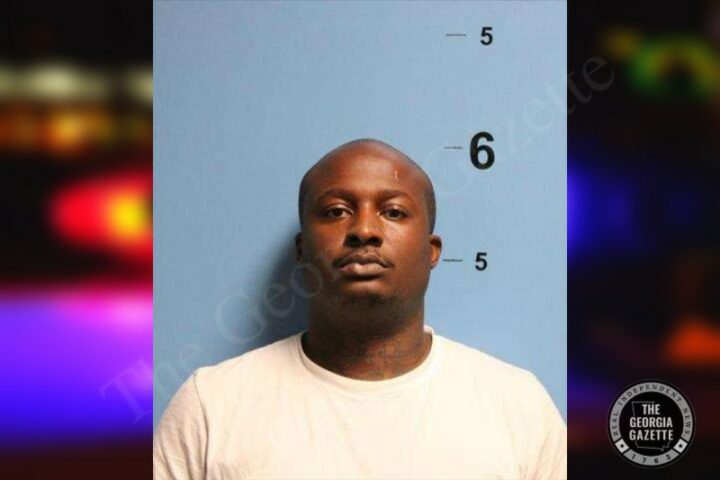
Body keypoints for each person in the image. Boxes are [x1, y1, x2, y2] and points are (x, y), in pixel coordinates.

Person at [153, 139, 567, 479]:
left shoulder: (517, 406)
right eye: (337, 211)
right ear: (302, 249)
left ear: (431, 251)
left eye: (393, 212)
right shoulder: (211, 406)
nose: (365, 230)